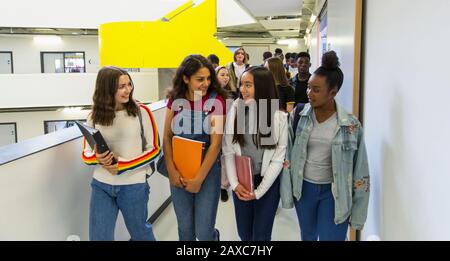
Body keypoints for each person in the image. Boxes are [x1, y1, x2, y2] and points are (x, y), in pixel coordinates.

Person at [283, 51, 370, 241]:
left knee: (333, 238)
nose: (309, 93)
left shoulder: (350, 125)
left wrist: (358, 215)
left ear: (333, 92)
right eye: (308, 88)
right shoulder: (298, 116)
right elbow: (287, 158)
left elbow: (360, 171)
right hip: (304, 190)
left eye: (316, 90)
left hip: (334, 193)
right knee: (308, 236)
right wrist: (287, 194)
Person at [81, 66, 161, 241]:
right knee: (99, 237)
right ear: (107, 89)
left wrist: (124, 165)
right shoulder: (93, 116)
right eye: (121, 86)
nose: (128, 90)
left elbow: (155, 149)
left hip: (134, 185)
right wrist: (97, 158)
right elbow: (86, 153)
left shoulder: (142, 112)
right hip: (101, 185)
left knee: (140, 234)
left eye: (129, 84)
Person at [163, 54, 227, 241]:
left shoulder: (216, 102)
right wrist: (171, 170)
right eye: (200, 79)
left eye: (208, 78)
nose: (206, 83)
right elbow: (167, 136)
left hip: (207, 172)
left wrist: (199, 179)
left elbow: (215, 145)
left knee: (204, 233)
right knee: (185, 230)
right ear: (185, 78)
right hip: (179, 169)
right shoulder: (175, 99)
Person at [222, 66, 288, 241]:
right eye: (241, 84)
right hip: (242, 181)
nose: (242, 90)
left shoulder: (278, 117)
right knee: (245, 234)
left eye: (248, 85)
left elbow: (277, 159)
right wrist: (235, 184)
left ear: (262, 87)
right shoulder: (236, 110)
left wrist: (258, 192)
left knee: (261, 235)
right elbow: (228, 151)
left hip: (268, 183)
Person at [214, 65, 236, 202]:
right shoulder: (210, 94)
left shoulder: (232, 93)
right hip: (214, 129)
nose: (226, 77)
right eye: (222, 74)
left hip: (228, 131)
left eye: (227, 75)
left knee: (225, 158)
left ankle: (224, 186)